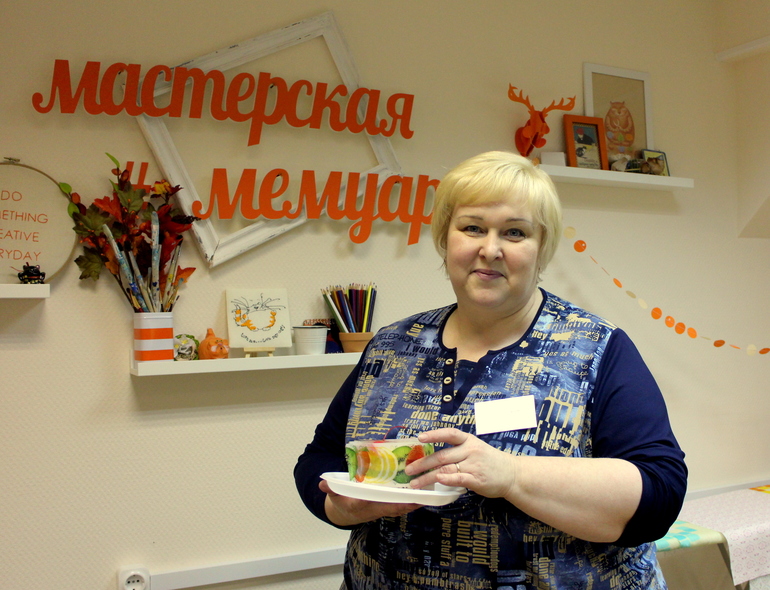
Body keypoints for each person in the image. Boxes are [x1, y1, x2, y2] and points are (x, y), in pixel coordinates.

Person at [294, 151, 687, 590]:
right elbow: (320, 459)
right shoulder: (392, 345)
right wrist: (341, 508)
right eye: (473, 228)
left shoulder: (595, 348)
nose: (490, 249)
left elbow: (659, 492)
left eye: (515, 232)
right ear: (445, 238)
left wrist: (513, 476)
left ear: (542, 249)